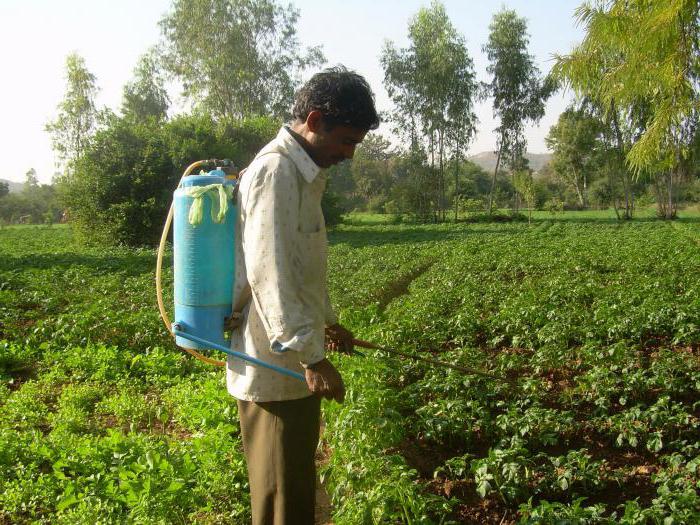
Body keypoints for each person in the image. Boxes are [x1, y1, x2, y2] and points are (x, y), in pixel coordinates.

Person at [225, 66, 380, 525]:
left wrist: (328, 326)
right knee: (282, 503)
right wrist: (313, 358)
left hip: (294, 363)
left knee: (293, 490)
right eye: (347, 141)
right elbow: (270, 273)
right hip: (276, 369)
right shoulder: (276, 172)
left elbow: (302, 266)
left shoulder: (303, 174)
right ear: (314, 120)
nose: (349, 154)